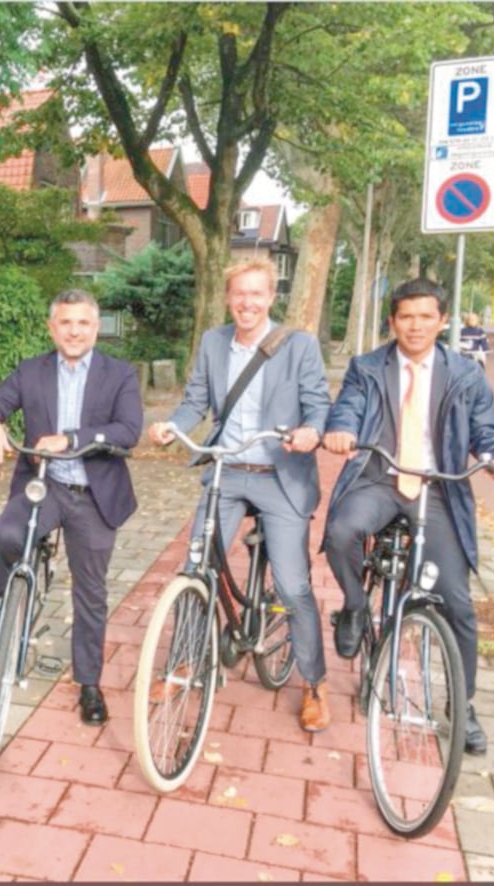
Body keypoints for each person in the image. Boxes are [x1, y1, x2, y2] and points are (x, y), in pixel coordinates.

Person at [323, 277, 494, 755]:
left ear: (442, 320)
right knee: (341, 531)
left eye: (425, 316)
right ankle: (354, 605)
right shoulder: (368, 367)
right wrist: (341, 430)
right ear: (392, 321)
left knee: (457, 603)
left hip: (437, 488)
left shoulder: (466, 374)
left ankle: (462, 704)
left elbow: (487, 430)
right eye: (406, 317)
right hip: (379, 478)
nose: (415, 326)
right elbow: (347, 408)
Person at [148, 258, 333, 734]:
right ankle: (184, 660)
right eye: (239, 294)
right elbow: (195, 401)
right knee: (195, 566)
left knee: (292, 585)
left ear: (271, 297)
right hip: (227, 472)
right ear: (228, 298)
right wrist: (172, 426)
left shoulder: (299, 345)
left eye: (256, 293)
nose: (247, 302)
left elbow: (318, 404)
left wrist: (312, 431)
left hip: (280, 474)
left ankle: (314, 683)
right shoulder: (214, 342)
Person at [0, 289, 143, 725]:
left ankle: (89, 683)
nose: (74, 331)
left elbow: (128, 430)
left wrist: (71, 439)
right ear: (52, 328)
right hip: (43, 486)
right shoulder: (32, 371)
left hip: (94, 494)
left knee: (91, 593)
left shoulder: (119, 373)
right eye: (66, 322)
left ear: (96, 328)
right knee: (6, 535)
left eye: (83, 323)